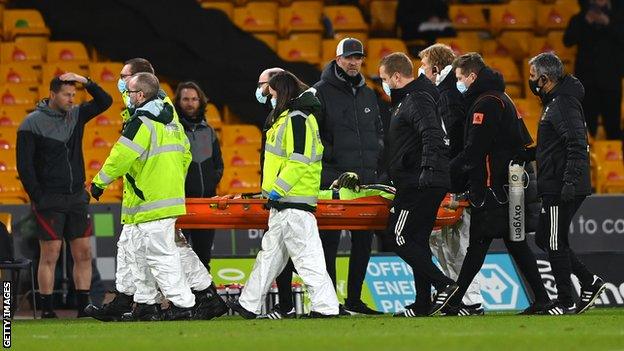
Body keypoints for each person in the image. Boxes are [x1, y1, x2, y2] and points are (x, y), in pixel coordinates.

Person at [85, 59, 226, 322]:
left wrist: (100, 182)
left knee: (161, 253)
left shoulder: (145, 118)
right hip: (152, 196)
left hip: (149, 199)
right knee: (133, 250)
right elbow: (184, 153)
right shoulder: (165, 115)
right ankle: (140, 302)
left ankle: (186, 302)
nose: (122, 83)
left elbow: (122, 155)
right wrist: (170, 180)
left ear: (140, 85)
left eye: (125, 78)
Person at [445, 53, 552, 315]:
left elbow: (475, 150)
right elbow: (522, 143)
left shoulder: (486, 104)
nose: (459, 83)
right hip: (507, 186)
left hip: (493, 188)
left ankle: (456, 301)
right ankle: (542, 298)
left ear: (471, 76)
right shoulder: (502, 98)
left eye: (460, 78)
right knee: (513, 243)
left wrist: (446, 174)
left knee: (479, 245)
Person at [227, 71, 339, 319]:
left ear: (283, 92)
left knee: (307, 258)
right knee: (269, 257)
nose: (271, 97)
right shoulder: (289, 118)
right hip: (283, 202)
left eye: (273, 93)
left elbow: (299, 160)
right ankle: (249, 304)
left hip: (293, 200)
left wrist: (279, 188)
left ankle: (326, 307)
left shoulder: (298, 119)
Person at [16, 73, 113, 318]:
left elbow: (105, 101)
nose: (72, 99)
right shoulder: (31, 123)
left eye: (73, 94)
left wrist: (86, 81)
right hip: (49, 199)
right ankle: (47, 310)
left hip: (76, 197)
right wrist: (38, 196)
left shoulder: (76, 115)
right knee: (50, 255)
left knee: (83, 254)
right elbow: (24, 166)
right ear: (53, 94)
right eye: (67, 94)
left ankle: (83, 308)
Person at [378, 52, 458, 317]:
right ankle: (423, 303)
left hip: (419, 182)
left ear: (397, 77)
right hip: (420, 178)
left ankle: (444, 285)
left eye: (385, 79)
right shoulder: (410, 100)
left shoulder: (415, 99)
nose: (384, 84)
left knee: (398, 237)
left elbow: (432, 134)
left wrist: (426, 170)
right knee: (418, 241)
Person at [527, 52, 606, 315]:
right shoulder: (556, 102)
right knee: (545, 237)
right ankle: (589, 282)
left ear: (545, 78)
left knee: (554, 241)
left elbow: (576, 144)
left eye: (533, 77)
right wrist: (530, 154)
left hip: (561, 184)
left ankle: (565, 300)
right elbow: (556, 145)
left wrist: (569, 182)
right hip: (556, 181)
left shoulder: (561, 103)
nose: (531, 82)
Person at [313, 38, 384, 315]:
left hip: (364, 181)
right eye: (349, 57)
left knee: (364, 242)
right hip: (333, 181)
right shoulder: (319, 93)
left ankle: (354, 299)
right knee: (328, 242)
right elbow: (315, 137)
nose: (354, 62)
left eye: (358, 58)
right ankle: (330, 301)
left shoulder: (368, 94)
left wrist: (375, 161)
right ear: (338, 59)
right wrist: (331, 171)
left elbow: (378, 131)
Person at [419, 44, 484, 316]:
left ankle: (470, 299)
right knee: (443, 241)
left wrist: (449, 174)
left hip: (456, 180)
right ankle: (457, 297)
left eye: (423, 65)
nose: (421, 71)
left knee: (456, 242)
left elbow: (454, 141)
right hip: (455, 176)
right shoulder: (447, 93)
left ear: (435, 67)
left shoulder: (445, 95)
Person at [174, 81, 223, 271]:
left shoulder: (209, 131)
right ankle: (182, 301)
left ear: (200, 101)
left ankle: (205, 298)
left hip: (206, 204)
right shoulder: (173, 131)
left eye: (194, 99)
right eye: (185, 99)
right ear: (178, 102)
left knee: (204, 257)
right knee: (181, 257)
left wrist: (212, 181)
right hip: (182, 203)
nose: (190, 103)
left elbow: (219, 164)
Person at [563, 0, 624, 140]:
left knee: (613, 127)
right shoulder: (579, 18)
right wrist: (585, 22)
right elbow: (567, 41)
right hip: (586, 82)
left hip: (611, 80)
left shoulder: (619, 17)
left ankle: (615, 160)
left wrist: (608, 23)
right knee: (585, 128)